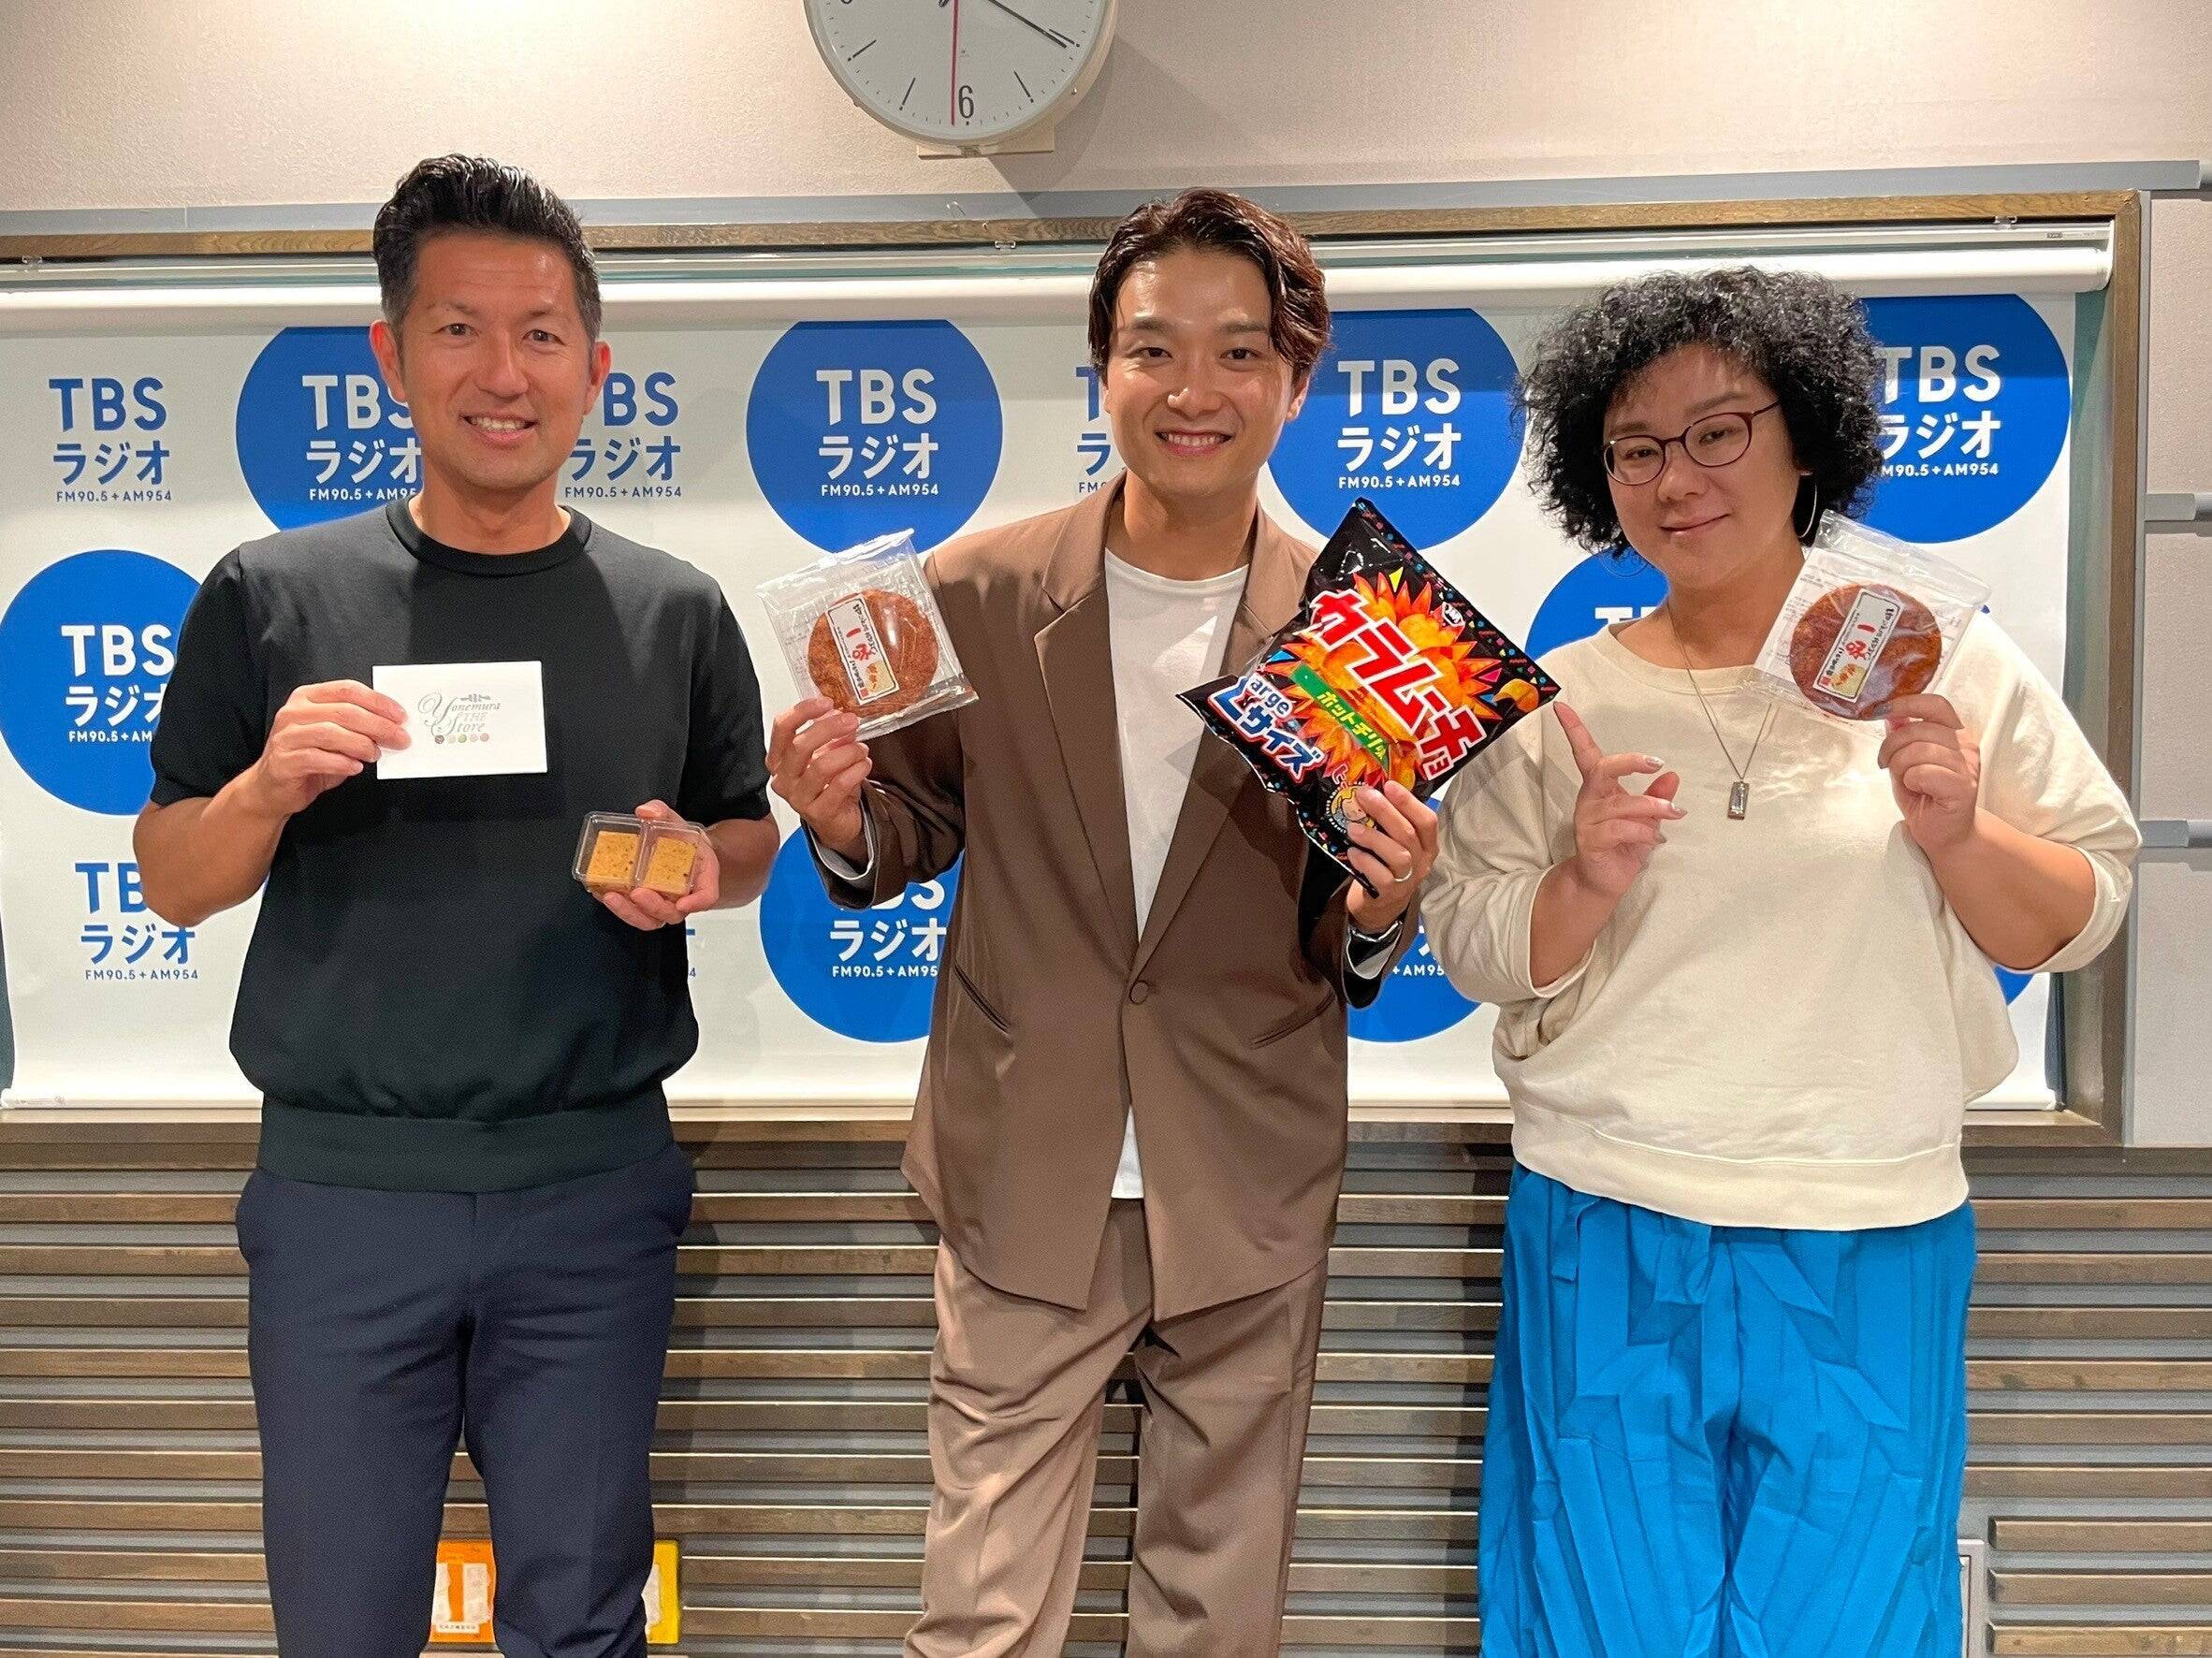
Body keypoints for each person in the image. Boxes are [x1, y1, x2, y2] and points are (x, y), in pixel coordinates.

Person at [1421, 265, 2140, 1657]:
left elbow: (2084, 911)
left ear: (1807, 439)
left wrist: (1961, 833)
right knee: (1600, 1619)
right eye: (1635, 448)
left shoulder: (1944, 668)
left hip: (1869, 1219)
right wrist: (1585, 880)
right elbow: (1474, 941)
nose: (1676, 478)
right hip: (1607, 1219)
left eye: (1717, 432)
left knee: (1851, 1626)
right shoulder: (1563, 702)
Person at [769, 187, 1436, 1656]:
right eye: (1153, 350)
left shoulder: (1364, 632)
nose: (1194, 388)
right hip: (1025, 1164)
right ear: (1102, 368)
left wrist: (1390, 900)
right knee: (983, 1614)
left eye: (1240, 352)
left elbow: (1351, 916)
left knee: (1218, 1616)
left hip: (1248, 1175)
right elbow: (906, 826)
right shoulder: (975, 591)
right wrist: (840, 818)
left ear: (1295, 380)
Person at [135, 155, 779, 1658]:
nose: (505, 373)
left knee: (585, 1623)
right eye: (459, 331)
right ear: (392, 355)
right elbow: (171, 877)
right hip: (343, 1202)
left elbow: (746, 837)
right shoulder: (273, 595)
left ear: (596, 368)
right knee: (341, 1626)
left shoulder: (674, 610)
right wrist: (265, 788)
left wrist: (704, 865)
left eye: (542, 334)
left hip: (594, 1191)